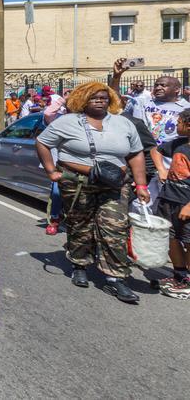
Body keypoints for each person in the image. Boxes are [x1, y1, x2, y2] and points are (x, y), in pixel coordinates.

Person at [35, 82, 149, 304]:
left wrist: (141, 184)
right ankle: (79, 263)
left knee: (115, 228)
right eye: (93, 97)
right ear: (83, 99)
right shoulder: (67, 122)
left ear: (111, 100)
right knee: (80, 225)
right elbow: (42, 142)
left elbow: (136, 154)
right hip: (77, 183)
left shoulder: (123, 123)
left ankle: (116, 278)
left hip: (115, 185)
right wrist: (51, 171)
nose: (99, 100)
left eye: (104, 97)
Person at [111, 58, 188, 205]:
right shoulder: (142, 102)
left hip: (168, 161)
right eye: (156, 85)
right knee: (140, 201)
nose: (158, 87)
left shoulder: (185, 108)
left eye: (163, 85)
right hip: (143, 157)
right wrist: (117, 76)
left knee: (167, 201)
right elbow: (114, 101)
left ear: (177, 89)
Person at [154, 110, 190, 298]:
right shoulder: (178, 143)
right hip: (169, 200)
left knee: (188, 241)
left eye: (179, 122)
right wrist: (161, 169)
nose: (176, 125)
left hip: (187, 205)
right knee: (171, 237)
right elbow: (156, 150)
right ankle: (179, 275)